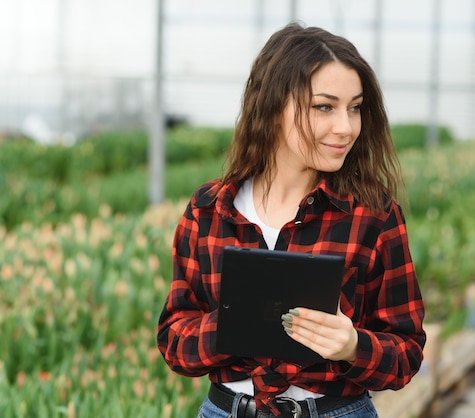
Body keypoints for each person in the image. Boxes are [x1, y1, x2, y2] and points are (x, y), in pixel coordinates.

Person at [157, 22, 426, 418]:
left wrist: (353, 346)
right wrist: (233, 324)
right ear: (273, 106)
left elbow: (406, 353)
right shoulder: (209, 210)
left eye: (354, 108)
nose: (346, 127)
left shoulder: (373, 215)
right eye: (324, 107)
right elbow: (174, 341)